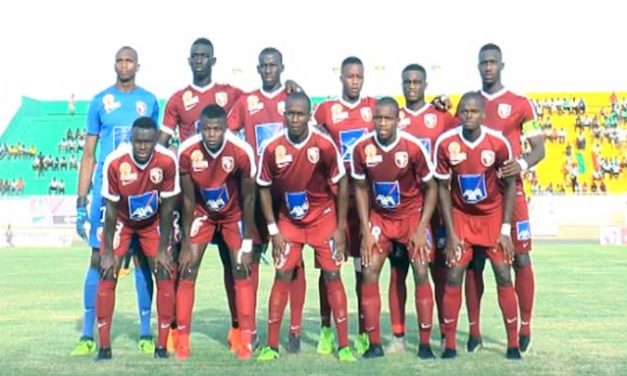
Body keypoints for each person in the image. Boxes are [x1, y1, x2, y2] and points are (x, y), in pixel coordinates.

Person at [72, 46, 159, 356]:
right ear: (115, 65)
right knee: (98, 259)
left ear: (138, 65)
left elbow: (156, 149)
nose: (124, 65)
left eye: (129, 60)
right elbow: (88, 155)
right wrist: (81, 202)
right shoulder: (100, 102)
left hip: (140, 194)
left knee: (141, 260)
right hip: (106, 195)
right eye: (120, 60)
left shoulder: (148, 101)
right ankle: (86, 335)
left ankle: (147, 332)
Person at [256, 92, 355, 362]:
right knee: (282, 275)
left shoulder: (323, 145)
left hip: (323, 219)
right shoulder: (272, 147)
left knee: (333, 276)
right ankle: (272, 346)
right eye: (290, 113)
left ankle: (344, 345)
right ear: (284, 114)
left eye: (300, 114)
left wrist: (340, 226)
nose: (295, 118)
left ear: (309, 116)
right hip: (289, 221)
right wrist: (273, 230)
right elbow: (263, 188)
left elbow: (342, 183)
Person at [463, 43, 544, 353]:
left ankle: (525, 324)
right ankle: (474, 332)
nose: (487, 67)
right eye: (483, 62)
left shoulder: (520, 104)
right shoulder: (470, 104)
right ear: (478, 66)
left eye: (492, 62)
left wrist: (521, 163)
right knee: (474, 264)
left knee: (521, 257)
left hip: (512, 192)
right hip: (478, 198)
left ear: (501, 65)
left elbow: (539, 148)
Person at [227, 47, 306, 353]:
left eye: (274, 65)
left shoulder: (293, 99)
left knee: (291, 264)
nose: (269, 69)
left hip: (287, 196)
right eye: (264, 65)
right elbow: (227, 134)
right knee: (249, 260)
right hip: (253, 195)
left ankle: (295, 330)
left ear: (282, 67)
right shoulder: (247, 102)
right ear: (258, 69)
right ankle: (249, 332)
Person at [434, 92, 520, 359]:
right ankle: (449, 344)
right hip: (461, 217)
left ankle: (513, 344)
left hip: (492, 218)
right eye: (464, 111)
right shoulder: (446, 144)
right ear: (458, 114)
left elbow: (510, 186)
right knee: (453, 274)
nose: (468, 115)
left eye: (473, 111)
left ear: (483, 114)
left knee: (503, 274)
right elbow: (442, 188)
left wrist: (505, 230)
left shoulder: (498, 143)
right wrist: (450, 232)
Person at [351, 97, 437, 359]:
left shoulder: (412, 148)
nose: (383, 123)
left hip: (411, 217)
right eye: (378, 118)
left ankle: (424, 344)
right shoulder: (362, 148)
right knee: (368, 270)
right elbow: (360, 188)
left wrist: (422, 227)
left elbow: (431, 187)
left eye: (388, 118)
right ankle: (375, 344)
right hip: (380, 218)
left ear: (398, 120)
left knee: (421, 271)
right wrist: (366, 230)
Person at [176, 104, 257, 360]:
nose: (211, 134)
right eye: (207, 129)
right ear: (200, 127)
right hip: (203, 214)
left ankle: (243, 339)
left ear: (225, 128)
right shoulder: (188, 151)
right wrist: (187, 241)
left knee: (241, 269)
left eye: (217, 129)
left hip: (233, 216)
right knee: (188, 268)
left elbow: (249, 199)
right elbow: (188, 200)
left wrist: (247, 243)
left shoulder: (241, 151)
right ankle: (182, 341)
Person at [386, 64, 457, 352]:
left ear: (425, 84)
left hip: (438, 207)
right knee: (397, 271)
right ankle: (399, 336)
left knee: (439, 270)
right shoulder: (394, 118)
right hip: (403, 208)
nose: (412, 86)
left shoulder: (441, 116)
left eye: (417, 81)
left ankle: (441, 332)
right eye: (407, 82)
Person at [95, 117, 179, 360]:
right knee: (108, 274)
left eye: (148, 142)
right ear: (131, 139)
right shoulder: (115, 162)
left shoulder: (166, 160)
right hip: (122, 221)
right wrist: (108, 252)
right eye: (138, 141)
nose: (143, 147)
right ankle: (104, 347)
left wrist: (164, 248)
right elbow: (110, 210)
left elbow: (167, 206)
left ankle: (162, 346)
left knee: (164, 272)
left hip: (152, 223)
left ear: (155, 142)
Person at [312, 56, 376, 355]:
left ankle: (364, 331)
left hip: (364, 200)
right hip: (334, 200)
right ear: (341, 77)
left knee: (365, 269)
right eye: (350, 76)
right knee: (329, 269)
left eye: (359, 76)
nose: (354, 81)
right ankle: (326, 329)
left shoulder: (374, 108)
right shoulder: (326, 110)